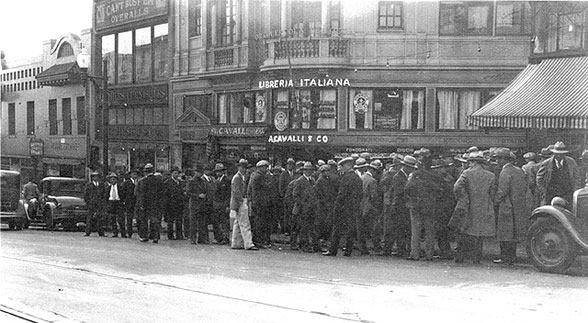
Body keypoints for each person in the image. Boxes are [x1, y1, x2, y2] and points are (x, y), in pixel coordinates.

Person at [451, 151, 496, 264]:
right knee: (479, 233)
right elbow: (493, 192)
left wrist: (462, 197)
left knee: (464, 231)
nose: (469, 164)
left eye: (470, 162)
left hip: (468, 206)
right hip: (485, 206)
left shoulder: (466, 173)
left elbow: (456, 186)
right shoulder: (491, 175)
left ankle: (460, 257)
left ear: (474, 162)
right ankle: (476, 258)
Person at [405, 148, 447, 261]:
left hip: (416, 206)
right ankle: (429, 254)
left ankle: (415, 254)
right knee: (430, 231)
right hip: (430, 206)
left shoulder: (415, 175)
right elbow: (441, 191)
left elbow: (407, 188)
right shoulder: (435, 175)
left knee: (416, 231)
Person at [493, 148, 529, 265]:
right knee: (513, 234)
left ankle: (505, 258)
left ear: (504, 159)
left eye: (499, 158)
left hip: (506, 206)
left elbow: (502, 191)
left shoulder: (505, 172)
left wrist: (495, 202)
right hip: (518, 206)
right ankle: (511, 257)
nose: (497, 161)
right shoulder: (519, 170)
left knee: (504, 233)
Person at [323, 157, 363, 257]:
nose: (341, 168)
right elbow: (360, 194)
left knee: (336, 229)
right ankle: (348, 251)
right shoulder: (357, 178)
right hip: (353, 207)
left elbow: (341, 195)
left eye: (342, 166)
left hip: (342, 207)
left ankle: (333, 250)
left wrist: (336, 206)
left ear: (347, 166)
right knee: (351, 229)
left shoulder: (345, 178)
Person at [383, 155, 417, 257]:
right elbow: (399, 192)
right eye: (410, 168)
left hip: (402, 206)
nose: (411, 170)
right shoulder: (398, 177)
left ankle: (400, 249)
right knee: (395, 229)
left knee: (401, 229)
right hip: (398, 206)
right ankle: (390, 250)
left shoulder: (405, 176)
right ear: (405, 166)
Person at [536, 141, 582, 207]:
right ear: (553, 153)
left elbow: (577, 177)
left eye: (561, 154)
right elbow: (539, 178)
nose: (559, 156)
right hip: (551, 195)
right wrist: (544, 191)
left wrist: (575, 191)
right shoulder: (546, 163)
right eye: (557, 154)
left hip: (567, 195)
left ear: (564, 154)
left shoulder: (571, 162)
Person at [230, 159, 258, 250]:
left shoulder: (240, 177)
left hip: (237, 202)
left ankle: (236, 243)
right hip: (240, 202)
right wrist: (242, 201)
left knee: (237, 223)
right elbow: (236, 191)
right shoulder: (238, 177)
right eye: (242, 167)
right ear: (239, 167)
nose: (244, 169)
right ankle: (248, 243)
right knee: (245, 223)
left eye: (245, 167)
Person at [292, 162, 318, 252]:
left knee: (310, 227)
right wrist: (303, 204)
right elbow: (295, 195)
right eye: (307, 170)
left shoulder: (313, 180)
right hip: (301, 209)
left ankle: (311, 245)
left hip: (310, 208)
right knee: (303, 228)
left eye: (310, 170)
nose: (309, 172)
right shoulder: (299, 181)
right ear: (304, 171)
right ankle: (304, 245)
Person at [136, 163, 165, 243]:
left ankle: (144, 236)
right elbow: (162, 193)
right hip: (155, 203)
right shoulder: (158, 180)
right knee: (155, 221)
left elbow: (140, 194)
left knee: (144, 220)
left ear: (145, 172)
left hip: (145, 203)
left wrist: (141, 204)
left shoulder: (142, 181)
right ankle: (155, 237)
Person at [357, 160, 379, 255]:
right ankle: (376, 246)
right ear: (373, 171)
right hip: (369, 207)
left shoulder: (361, 178)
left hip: (361, 205)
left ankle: (362, 247)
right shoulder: (372, 181)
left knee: (361, 228)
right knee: (373, 228)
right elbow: (374, 196)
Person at [248, 160, 271, 248]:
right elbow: (265, 187)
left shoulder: (255, 175)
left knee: (259, 222)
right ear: (260, 168)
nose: (266, 169)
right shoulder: (259, 176)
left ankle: (258, 240)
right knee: (259, 223)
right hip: (260, 203)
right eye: (265, 167)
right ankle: (258, 241)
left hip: (258, 202)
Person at [314, 164, 337, 248]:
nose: (327, 173)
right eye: (325, 171)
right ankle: (320, 240)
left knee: (327, 222)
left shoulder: (328, 180)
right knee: (321, 223)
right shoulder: (320, 181)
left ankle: (324, 239)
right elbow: (318, 194)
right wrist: (324, 202)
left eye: (328, 171)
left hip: (327, 204)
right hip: (322, 205)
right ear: (322, 172)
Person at [165, 166, 186, 240]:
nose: (177, 175)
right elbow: (166, 195)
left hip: (179, 204)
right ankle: (170, 235)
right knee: (170, 221)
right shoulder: (167, 182)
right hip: (171, 204)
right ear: (172, 174)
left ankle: (179, 235)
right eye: (175, 173)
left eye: (178, 173)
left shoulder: (180, 183)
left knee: (179, 220)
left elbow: (182, 193)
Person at [84, 171, 106, 237]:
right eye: (94, 176)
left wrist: (102, 202)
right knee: (89, 218)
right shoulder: (89, 185)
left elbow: (104, 194)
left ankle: (101, 232)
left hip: (99, 204)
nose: (95, 178)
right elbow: (86, 195)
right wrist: (88, 202)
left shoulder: (102, 185)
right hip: (91, 204)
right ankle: (87, 232)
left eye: (97, 176)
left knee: (100, 218)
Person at [213, 163, 231, 244]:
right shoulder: (216, 181)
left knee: (225, 222)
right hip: (217, 204)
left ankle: (225, 238)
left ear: (223, 172)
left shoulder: (227, 180)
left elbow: (228, 194)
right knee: (217, 221)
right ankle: (219, 238)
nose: (218, 173)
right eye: (217, 171)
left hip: (224, 204)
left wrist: (227, 205)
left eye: (219, 171)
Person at [279, 158, 297, 235]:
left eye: (291, 164)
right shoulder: (283, 174)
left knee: (293, 214)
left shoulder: (295, 174)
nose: (290, 166)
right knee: (287, 214)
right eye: (289, 164)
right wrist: (283, 196)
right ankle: (286, 230)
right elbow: (281, 186)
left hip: (293, 197)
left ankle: (292, 229)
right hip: (287, 197)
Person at [120, 169, 139, 238]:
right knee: (129, 218)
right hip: (129, 202)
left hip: (138, 202)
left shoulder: (139, 182)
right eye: (133, 174)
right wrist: (124, 201)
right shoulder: (126, 183)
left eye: (136, 174)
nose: (135, 175)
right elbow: (122, 193)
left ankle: (140, 233)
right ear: (130, 175)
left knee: (139, 218)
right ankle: (129, 232)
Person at [106, 172, 125, 238]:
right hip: (111, 203)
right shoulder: (108, 188)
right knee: (112, 219)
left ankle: (123, 233)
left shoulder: (120, 187)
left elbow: (123, 195)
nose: (112, 181)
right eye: (111, 179)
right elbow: (106, 196)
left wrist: (122, 202)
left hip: (118, 203)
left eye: (114, 179)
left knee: (121, 219)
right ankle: (115, 233)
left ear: (116, 180)